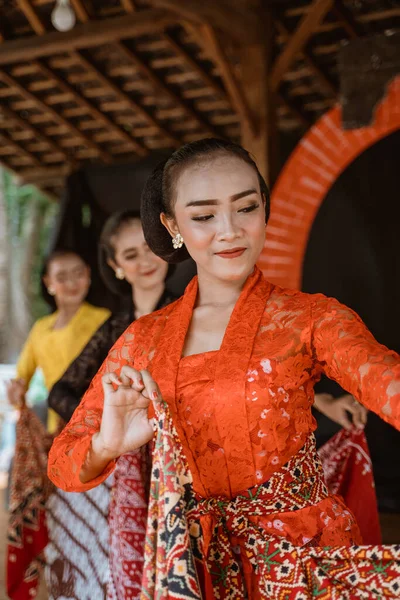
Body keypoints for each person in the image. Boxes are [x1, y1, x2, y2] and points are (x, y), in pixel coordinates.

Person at [48, 139, 400, 599]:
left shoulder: (312, 318)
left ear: (264, 210)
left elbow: (386, 382)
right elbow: (64, 464)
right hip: (195, 569)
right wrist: (107, 444)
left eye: (246, 207)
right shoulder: (142, 340)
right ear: (172, 226)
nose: (230, 231)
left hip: (304, 559)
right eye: (204, 216)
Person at [47, 210, 177, 599]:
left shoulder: (190, 309)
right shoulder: (115, 326)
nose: (145, 261)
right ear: (115, 266)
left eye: (150, 247)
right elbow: (59, 391)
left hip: (179, 462)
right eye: (130, 254)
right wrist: (111, 425)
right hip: (125, 468)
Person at [6, 249, 110, 600]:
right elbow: (19, 381)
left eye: (77, 273)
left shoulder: (105, 319)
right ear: (48, 284)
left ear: (89, 277)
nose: (70, 282)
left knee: (98, 523)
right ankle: (68, 591)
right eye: (60, 276)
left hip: (98, 437)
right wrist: (17, 391)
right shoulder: (40, 330)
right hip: (56, 441)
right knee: (61, 524)